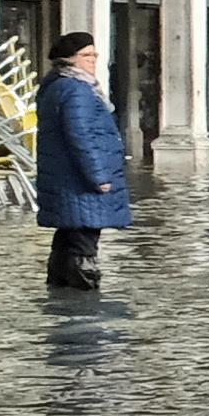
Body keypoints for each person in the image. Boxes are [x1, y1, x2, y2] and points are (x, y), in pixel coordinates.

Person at [36, 30, 129, 295]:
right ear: (70, 60)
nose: (93, 60)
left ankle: (61, 296)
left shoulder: (57, 86)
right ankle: (85, 302)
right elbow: (82, 137)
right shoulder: (77, 91)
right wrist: (99, 177)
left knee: (66, 239)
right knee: (83, 244)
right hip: (79, 184)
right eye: (86, 55)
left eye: (94, 54)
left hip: (67, 181)